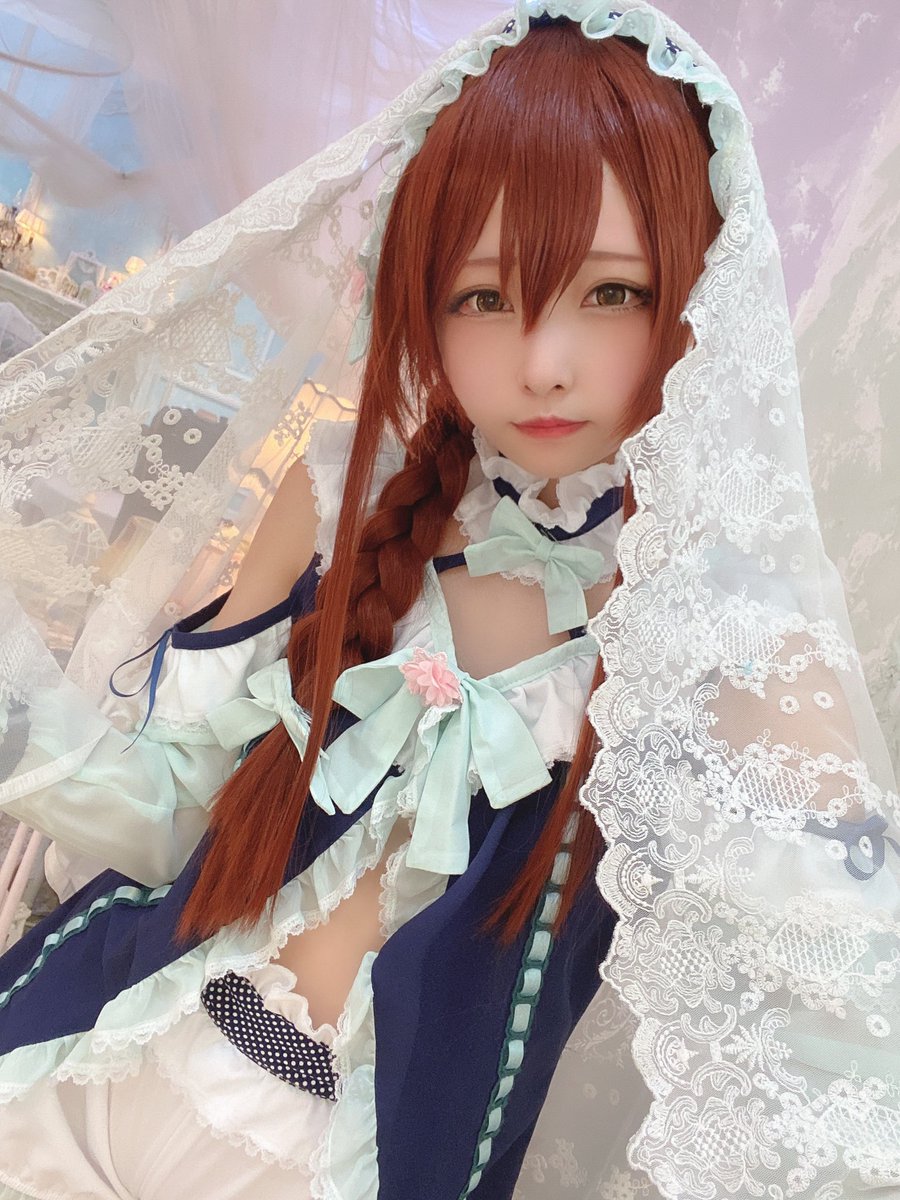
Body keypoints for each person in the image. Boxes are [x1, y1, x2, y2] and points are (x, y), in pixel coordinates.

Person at [0, 4, 897, 1198]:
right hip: (81, 1071)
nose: (543, 363)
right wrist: (23, 722)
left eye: (611, 292)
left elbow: (842, 1037)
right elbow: (172, 813)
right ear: (422, 299)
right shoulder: (339, 501)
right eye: (484, 296)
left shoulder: (712, 640)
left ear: (696, 295)